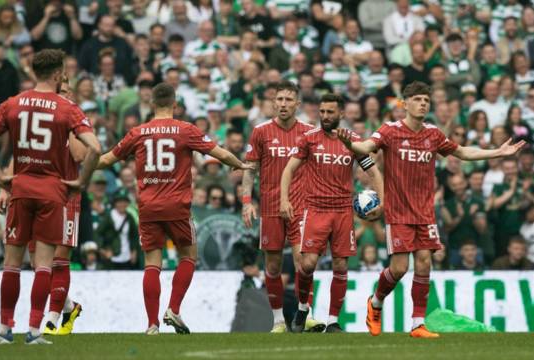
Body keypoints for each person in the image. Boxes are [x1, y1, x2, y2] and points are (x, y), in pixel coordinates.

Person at [336, 81, 526, 338]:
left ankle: (417, 324)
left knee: (425, 263)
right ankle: (376, 302)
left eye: (426, 100)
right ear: (405, 103)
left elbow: (462, 153)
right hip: (399, 211)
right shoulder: (390, 131)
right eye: (418, 99)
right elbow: (366, 148)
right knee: (400, 268)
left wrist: (497, 152)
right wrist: (350, 144)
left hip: (425, 212)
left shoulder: (433, 134)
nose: (423, 103)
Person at [96, 83, 251, 335]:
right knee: (189, 256)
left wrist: (80, 166)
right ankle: (174, 309)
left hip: (148, 207)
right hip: (177, 206)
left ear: (151, 105)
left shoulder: (138, 132)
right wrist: (240, 165)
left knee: (152, 264)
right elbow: (219, 153)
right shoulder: (185, 130)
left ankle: (151, 325)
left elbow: (105, 160)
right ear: (175, 105)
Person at [0, 49, 100, 345]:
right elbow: (93, 148)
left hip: (20, 188)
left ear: (33, 72)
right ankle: (33, 331)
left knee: (12, 263)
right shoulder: (66, 108)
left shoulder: (13, 103)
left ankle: (4, 329)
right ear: (58, 74)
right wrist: (81, 181)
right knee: (44, 265)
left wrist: (0, 178)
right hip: (51, 192)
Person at [281, 93, 383, 333]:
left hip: (342, 211)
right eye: (322, 112)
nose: (325, 116)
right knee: (307, 265)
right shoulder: (309, 139)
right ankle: (304, 307)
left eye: (330, 112)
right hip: (315, 209)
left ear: (341, 114)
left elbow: (374, 172)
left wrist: (383, 203)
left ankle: (333, 320)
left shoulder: (353, 142)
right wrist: (284, 199)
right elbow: (289, 169)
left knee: (341, 266)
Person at [0, 74, 88, 336]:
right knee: (39, 263)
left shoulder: (74, 118)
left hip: (66, 194)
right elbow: (23, 152)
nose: (66, 95)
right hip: (36, 193)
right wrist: (5, 187)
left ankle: (51, 318)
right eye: (63, 90)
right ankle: (69, 306)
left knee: (59, 258)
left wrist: (69, 127)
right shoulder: (43, 119)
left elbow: (81, 155)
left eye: (69, 91)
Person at [242, 81, 325, 333]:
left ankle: (304, 313)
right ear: (273, 102)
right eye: (279, 99)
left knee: (304, 262)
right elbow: (250, 170)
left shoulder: (310, 132)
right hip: (270, 207)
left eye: (289, 100)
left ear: (297, 104)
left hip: (301, 207)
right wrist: (247, 202)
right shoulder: (260, 131)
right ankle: (278, 320)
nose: (283, 104)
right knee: (274, 266)